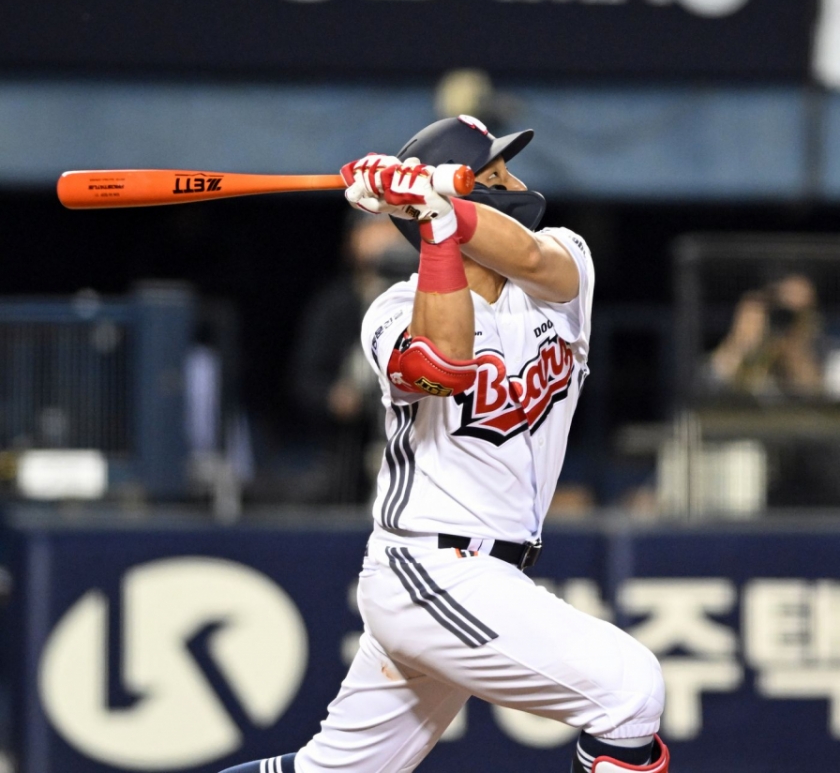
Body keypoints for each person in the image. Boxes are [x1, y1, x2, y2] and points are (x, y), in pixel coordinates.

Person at [219, 115, 668, 773]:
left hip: (488, 570)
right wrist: (435, 221)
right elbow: (444, 364)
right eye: (493, 175)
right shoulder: (392, 311)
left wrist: (441, 207)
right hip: (428, 567)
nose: (515, 184)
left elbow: (532, 257)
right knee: (629, 690)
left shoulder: (562, 267)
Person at [289, 212, 417, 503]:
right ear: (353, 240)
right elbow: (305, 381)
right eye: (375, 227)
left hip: (414, 439)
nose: (386, 236)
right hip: (350, 450)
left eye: (392, 227)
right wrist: (336, 398)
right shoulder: (335, 305)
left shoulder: (421, 299)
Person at [707, 271, 827, 395]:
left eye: (795, 313)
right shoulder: (751, 349)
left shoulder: (827, 350)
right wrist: (740, 342)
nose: (784, 318)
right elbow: (709, 386)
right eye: (779, 307)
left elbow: (822, 394)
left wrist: (795, 350)